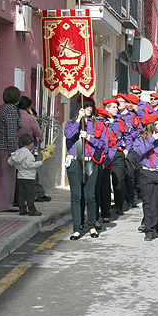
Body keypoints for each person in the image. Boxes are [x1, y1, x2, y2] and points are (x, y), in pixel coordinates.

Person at [64, 101, 105, 240]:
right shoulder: (71, 123)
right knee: (76, 196)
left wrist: (89, 138)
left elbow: (102, 144)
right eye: (84, 107)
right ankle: (76, 228)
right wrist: (78, 121)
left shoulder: (97, 124)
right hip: (75, 161)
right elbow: (69, 135)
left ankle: (92, 225)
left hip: (90, 162)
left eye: (90, 107)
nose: (88, 109)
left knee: (90, 196)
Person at [0, 86, 22, 212]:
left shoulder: (2, 108)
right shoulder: (11, 110)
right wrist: (14, 152)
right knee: (9, 177)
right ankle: (6, 205)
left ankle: (0, 203)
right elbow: (11, 132)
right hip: (7, 147)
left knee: (3, 176)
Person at [17, 96, 51, 203]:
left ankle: (19, 198)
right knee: (32, 174)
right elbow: (38, 133)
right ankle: (36, 194)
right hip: (29, 150)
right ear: (27, 107)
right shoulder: (30, 118)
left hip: (15, 148)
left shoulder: (14, 115)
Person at [8, 133, 43, 216]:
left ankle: (22, 210)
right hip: (29, 178)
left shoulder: (17, 152)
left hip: (20, 177)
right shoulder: (28, 154)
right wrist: (39, 163)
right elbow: (30, 165)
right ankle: (32, 210)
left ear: (20, 143)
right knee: (30, 195)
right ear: (31, 144)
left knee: (21, 195)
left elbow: (10, 162)